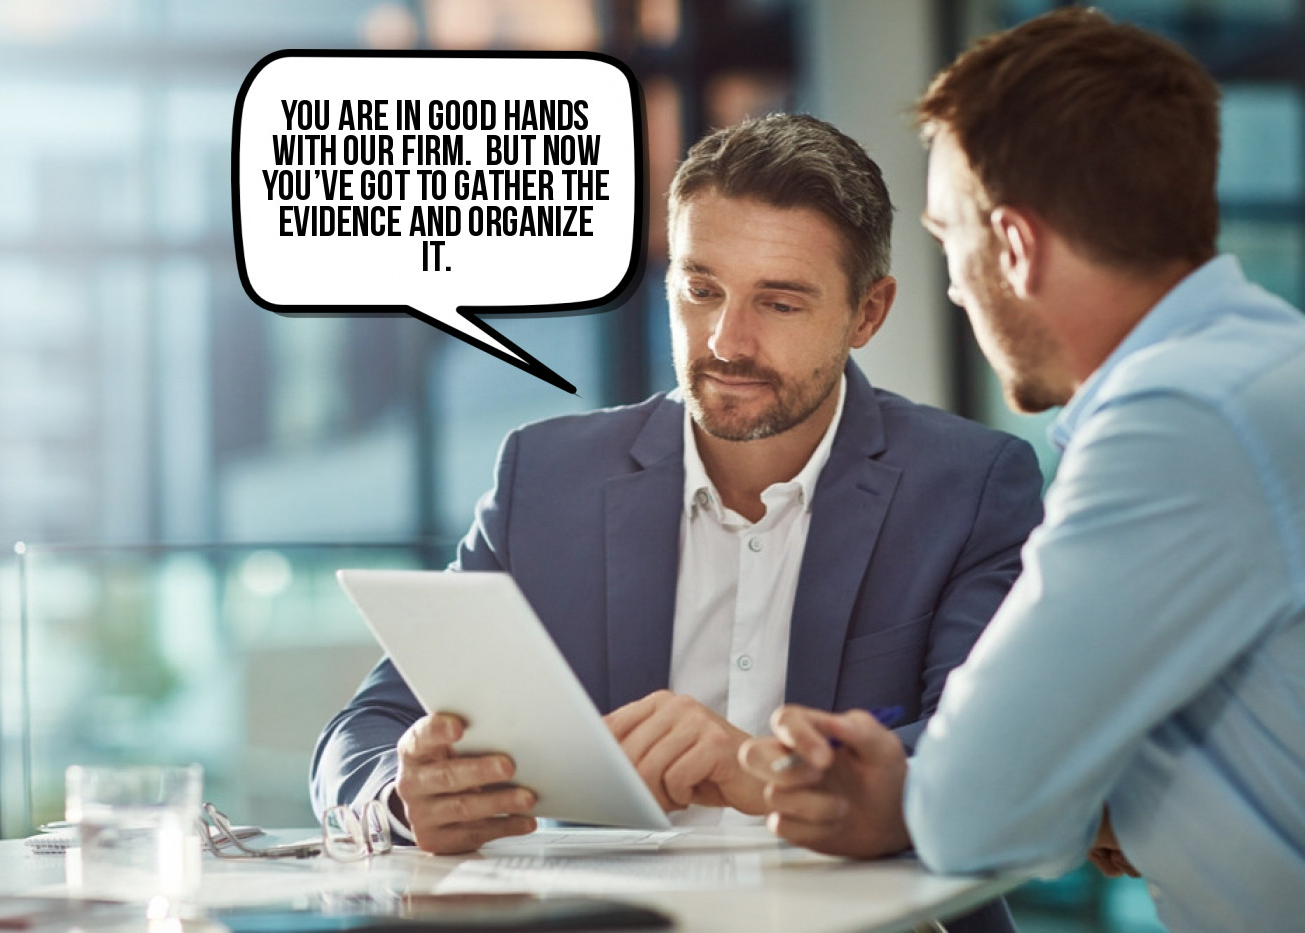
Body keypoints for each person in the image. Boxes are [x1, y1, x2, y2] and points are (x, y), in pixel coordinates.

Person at [312, 115, 1041, 896]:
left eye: (780, 303)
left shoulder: (968, 483)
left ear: (868, 312)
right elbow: (361, 735)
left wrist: (753, 769)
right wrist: (403, 794)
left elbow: (989, 756)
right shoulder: (547, 477)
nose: (727, 340)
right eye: (701, 290)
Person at [739, 9, 1305, 932]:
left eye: (948, 239)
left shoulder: (1178, 419)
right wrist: (1100, 798)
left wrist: (921, 795)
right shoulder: (1255, 369)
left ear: (1014, 245)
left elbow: (977, 808)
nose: (954, 285)